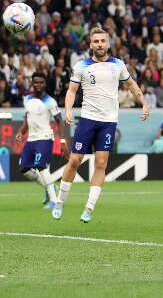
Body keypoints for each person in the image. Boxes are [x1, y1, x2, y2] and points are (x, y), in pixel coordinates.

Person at [52, 27, 149, 223]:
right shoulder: (81, 66)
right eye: (96, 41)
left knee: (101, 163)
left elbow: (131, 85)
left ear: (108, 43)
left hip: (109, 122)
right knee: (74, 160)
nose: (99, 44)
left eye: (102, 41)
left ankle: (89, 208)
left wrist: (144, 102)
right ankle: (60, 202)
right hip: (87, 119)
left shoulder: (118, 65)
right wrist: (69, 109)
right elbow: (71, 90)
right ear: (90, 44)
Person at [15, 72, 69, 209]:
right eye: (36, 82)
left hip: (44, 138)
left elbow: (60, 122)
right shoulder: (27, 99)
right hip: (31, 139)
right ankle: (49, 188)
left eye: (41, 82)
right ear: (32, 83)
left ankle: (54, 200)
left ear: (45, 84)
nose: (38, 85)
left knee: (41, 166)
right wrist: (21, 131)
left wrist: (62, 142)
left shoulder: (50, 101)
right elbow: (27, 118)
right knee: (24, 168)